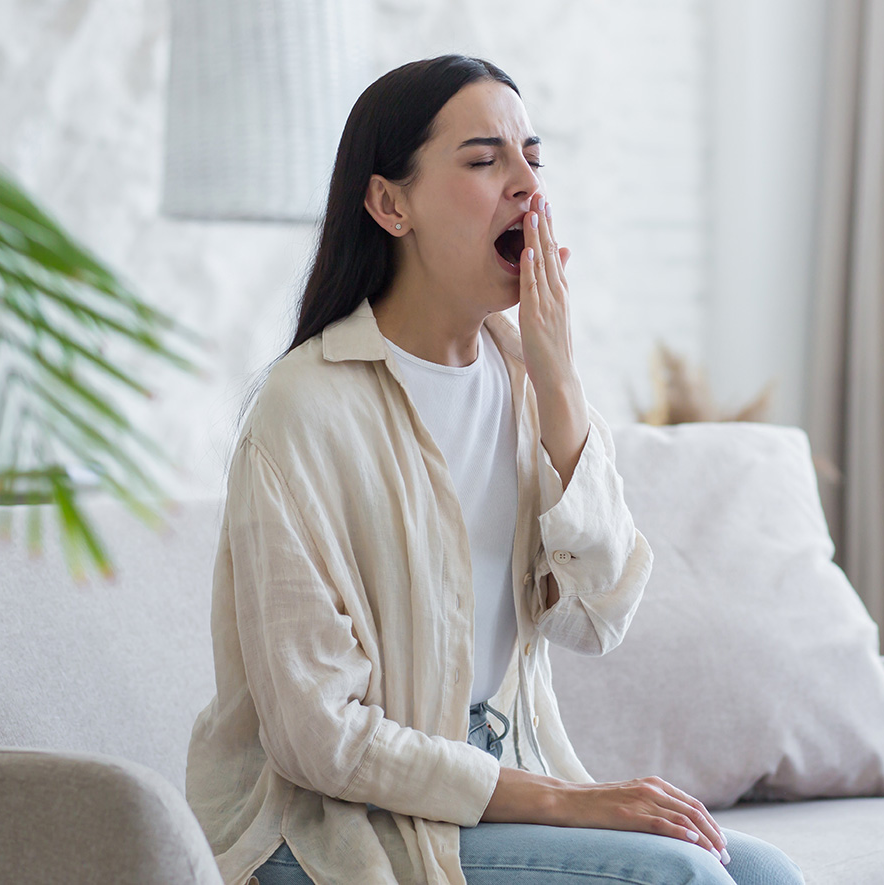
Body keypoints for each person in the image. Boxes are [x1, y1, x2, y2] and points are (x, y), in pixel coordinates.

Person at [184, 54, 806, 885]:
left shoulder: (524, 381)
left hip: (492, 771)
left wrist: (559, 383)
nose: (527, 186)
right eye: (484, 160)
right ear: (389, 203)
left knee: (765, 872)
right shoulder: (303, 412)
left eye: (533, 159)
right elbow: (317, 738)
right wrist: (561, 800)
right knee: (684, 878)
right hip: (330, 820)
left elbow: (600, 614)